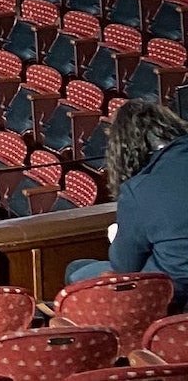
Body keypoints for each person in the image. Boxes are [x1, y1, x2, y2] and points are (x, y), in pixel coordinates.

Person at [65, 99, 188, 303]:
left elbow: (124, 266)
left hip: (172, 293)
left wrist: (117, 237)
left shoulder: (140, 190)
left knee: (76, 270)